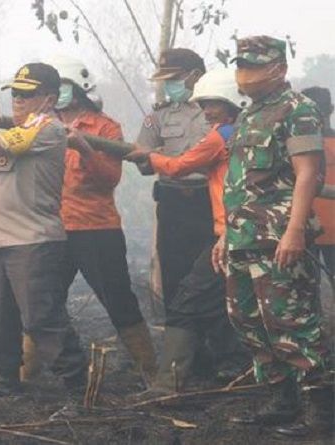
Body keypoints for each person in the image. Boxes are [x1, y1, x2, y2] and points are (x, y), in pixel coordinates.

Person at [211, 36, 332, 437]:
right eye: (239, 66)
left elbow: (307, 174)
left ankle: (320, 410)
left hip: (279, 237)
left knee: (291, 320)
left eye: (251, 65)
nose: (242, 74)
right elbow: (241, 184)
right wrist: (225, 235)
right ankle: (281, 399)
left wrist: (295, 230)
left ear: (277, 68)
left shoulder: (299, 110)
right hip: (243, 237)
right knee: (245, 318)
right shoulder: (249, 116)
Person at [19, 56, 156, 390]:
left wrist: (83, 148)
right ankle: (27, 374)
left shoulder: (104, 128)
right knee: (43, 301)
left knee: (118, 299)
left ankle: (151, 371)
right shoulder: (40, 125)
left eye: (64, 88)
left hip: (96, 230)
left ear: (79, 91)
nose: (59, 95)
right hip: (51, 229)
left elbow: (109, 179)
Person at [0, 63, 87, 406]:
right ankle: (7, 380)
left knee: (41, 319)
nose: (18, 100)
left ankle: (78, 388)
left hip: (32, 240)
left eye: (27, 94)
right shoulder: (11, 133)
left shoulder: (47, 129)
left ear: (48, 98)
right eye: (14, 93)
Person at [126, 68, 251, 394]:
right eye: (205, 104)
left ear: (232, 103)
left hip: (229, 232)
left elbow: (179, 165)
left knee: (187, 300)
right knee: (234, 301)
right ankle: (238, 365)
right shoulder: (251, 132)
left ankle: (167, 386)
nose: (207, 111)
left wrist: (149, 157)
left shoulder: (221, 136)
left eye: (214, 104)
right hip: (244, 229)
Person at [136, 49, 213, 320]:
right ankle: (183, 350)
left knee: (214, 274)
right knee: (174, 273)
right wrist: (154, 158)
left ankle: (225, 349)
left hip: (212, 202)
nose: (170, 86)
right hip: (173, 204)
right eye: (166, 80)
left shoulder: (218, 109)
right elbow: (142, 160)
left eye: (175, 78)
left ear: (195, 76)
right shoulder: (159, 115)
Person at [301, 86, 335, 279]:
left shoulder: (297, 149)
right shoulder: (297, 147)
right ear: (331, 108)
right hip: (305, 231)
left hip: (306, 229)